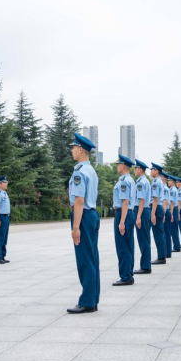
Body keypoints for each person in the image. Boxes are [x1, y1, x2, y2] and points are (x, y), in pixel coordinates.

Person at [67, 133, 101, 313]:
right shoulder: (91, 170)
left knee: (85, 260)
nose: (72, 150)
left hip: (83, 216)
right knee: (93, 257)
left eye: (73, 147)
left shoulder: (80, 172)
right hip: (92, 215)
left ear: (81, 149)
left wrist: (75, 227)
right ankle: (93, 298)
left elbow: (79, 200)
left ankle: (87, 301)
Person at [112, 154, 137, 286]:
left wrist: (121, 222)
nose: (117, 167)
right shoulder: (130, 180)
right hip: (128, 214)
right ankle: (128, 274)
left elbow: (125, 202)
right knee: (128, 245)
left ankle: (126, 276)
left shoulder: (123, 181)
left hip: (123, 214)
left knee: (123, 246)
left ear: (123, 166)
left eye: (118, 165)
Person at [133, 160, 152, 274]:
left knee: (143, 239)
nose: (134, 170)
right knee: (145, 238)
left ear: (140, 169)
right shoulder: (144, 181)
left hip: (142, 211)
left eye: (135, 168)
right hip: (145, 210)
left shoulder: (141, 182)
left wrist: (138, 216)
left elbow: (141, 200)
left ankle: (145, 266)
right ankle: (146, 264)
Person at [150, 163, 167, 265]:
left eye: (152, 169)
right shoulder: (159, 181)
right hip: (159, 208)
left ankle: (161, 257)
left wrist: (152, 214)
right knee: (160, 233)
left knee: (158, 234)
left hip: (156, 208)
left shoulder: (156, 182)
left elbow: (155, 199)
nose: (151, 171)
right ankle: (161, 255)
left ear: (157, 171)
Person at [0, 176, 11, 264]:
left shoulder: (4, 193)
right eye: (4, 182)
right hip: (0, 217)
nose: (6, 184)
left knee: (4, 238)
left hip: (6, 217)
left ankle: (3, 256)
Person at [168, 175, 181, 253]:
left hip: (173, 209)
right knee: (174, 228)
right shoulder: (174, 189)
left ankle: (176, 246)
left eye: (169, 181)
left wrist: (171, 213)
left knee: (173, 229)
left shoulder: (172, 190)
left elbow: (172, 202)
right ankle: (176, 246)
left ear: (172, 182)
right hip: (175, 209)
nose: (168, 182)